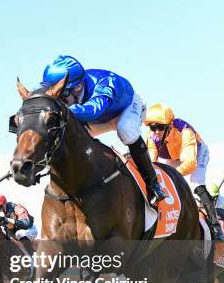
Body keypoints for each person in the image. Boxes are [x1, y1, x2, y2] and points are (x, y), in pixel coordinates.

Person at [40, 55, 166, 204]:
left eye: (61, 94)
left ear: (78, 87)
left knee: (125, 129)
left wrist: (62, 110)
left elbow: (94, 109)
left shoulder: (105, 83)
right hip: (99, 118)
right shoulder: (72, 87)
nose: (58, 99)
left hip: (127, 109)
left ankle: (153, 184)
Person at [144, 103, 224, 241]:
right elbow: (151, 162)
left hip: (196, 153)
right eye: (153, 127)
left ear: (170, 125)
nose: (156, 131)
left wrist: (173, 176)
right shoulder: (151, 137)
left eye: (161, 127)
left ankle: (216, 228)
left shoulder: (185, 132)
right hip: (173, 158)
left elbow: (190, 163)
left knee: (196, 184)